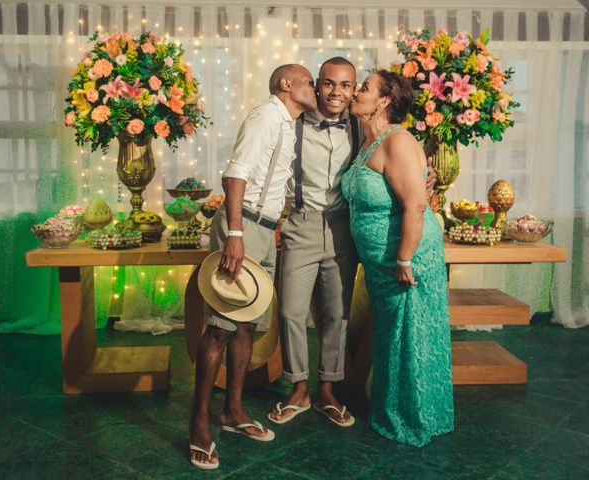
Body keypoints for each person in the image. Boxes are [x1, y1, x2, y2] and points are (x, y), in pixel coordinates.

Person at [268, 58, 435, 427]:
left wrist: (427, 174)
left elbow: (399, 163)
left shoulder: (362, 128)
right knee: (291, 311)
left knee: (336, 313)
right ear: (317, 86)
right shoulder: (290, 123)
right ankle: (298, 388)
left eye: (347, 86)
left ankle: (328, 390)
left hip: (345, 228)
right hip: (302, 224)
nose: (338, 93)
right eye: (329, 84)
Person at [189, 64, 317, 469]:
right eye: (309, 82)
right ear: (286, 85)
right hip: (242, 225)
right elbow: (236, 174)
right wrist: (236, 234)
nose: (314, 88)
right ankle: (198, 425)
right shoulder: (266, 116)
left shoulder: (289, 123)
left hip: (264, 230)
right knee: (220, 328)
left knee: (246, 324)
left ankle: (233, 411)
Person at [341, 69, 453, 447]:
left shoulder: (398, 140)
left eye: (365, 88)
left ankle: (413, 416)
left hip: (406, 258)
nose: (356, 92)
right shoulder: (368, 140)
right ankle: (392, 408)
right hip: (380, 262)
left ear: (385, 101)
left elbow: (416, 204)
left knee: (411, 336)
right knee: (392, 336)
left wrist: (404, 258)